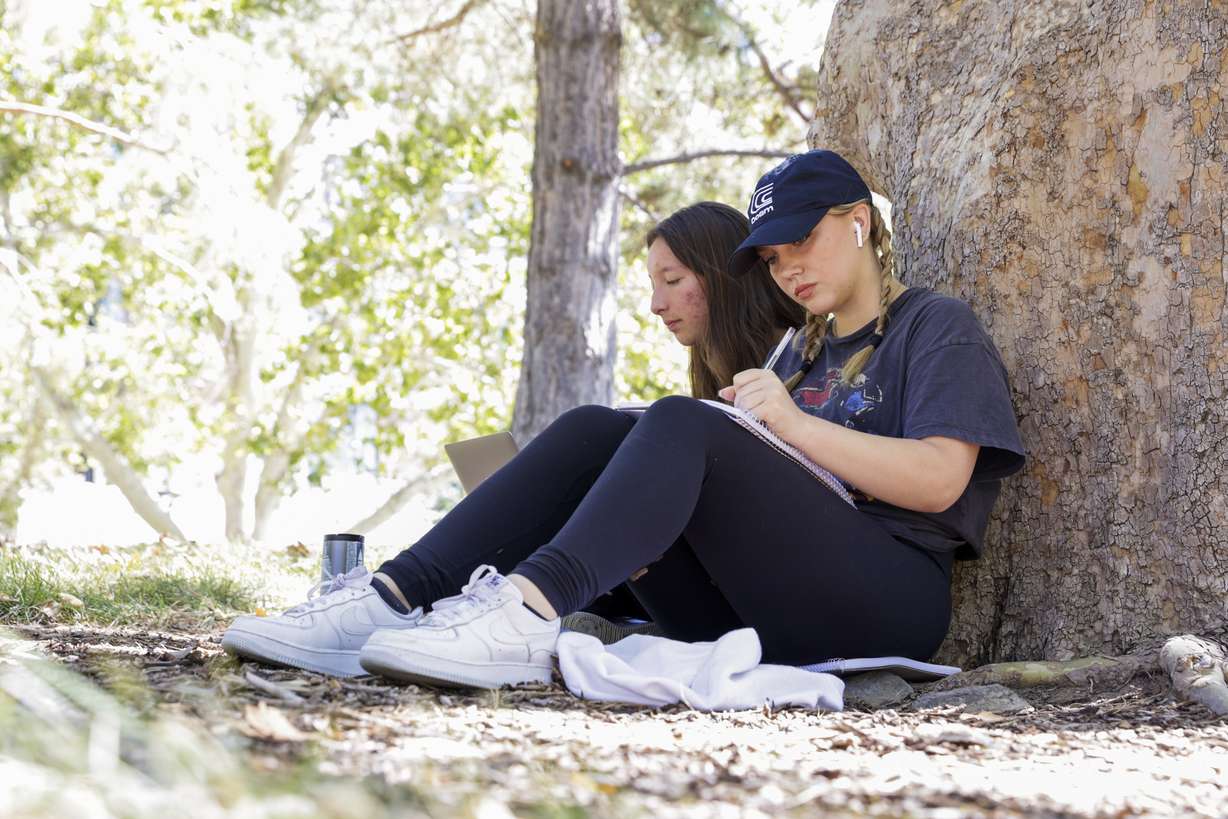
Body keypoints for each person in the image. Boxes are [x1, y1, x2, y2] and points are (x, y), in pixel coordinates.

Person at [221, 201, 802, 679]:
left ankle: (450, 609)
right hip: (685, 589)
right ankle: (392, 600)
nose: (655, 305)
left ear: (723, 276)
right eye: (654, 284)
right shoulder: (719, 382)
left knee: (603, 431)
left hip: (754, 607)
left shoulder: (803, 365)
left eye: (672, 281)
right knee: (595, 434)